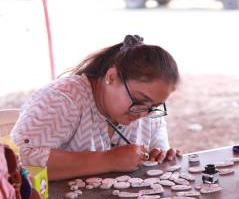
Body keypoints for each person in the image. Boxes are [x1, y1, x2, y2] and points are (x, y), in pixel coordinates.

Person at [12, 35, 181, 180]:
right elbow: (21, 158)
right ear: (111, 77)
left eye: (155, 106)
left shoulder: (148, 112)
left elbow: (158, 151)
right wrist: (109, 160)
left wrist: (160, 156)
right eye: (139, 100)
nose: (144, 113)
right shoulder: (62, 99)